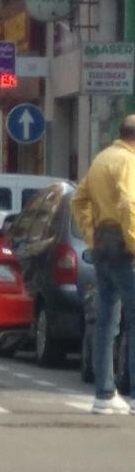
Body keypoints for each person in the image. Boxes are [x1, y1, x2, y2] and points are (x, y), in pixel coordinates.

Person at [72, 115, 135, 415]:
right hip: (126, 247)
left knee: (107, 321)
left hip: (102, 245)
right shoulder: (127, 162)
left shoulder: (102, 159)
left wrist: (89, 233)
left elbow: (78, 198)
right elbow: (129, 203)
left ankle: (104, 393)